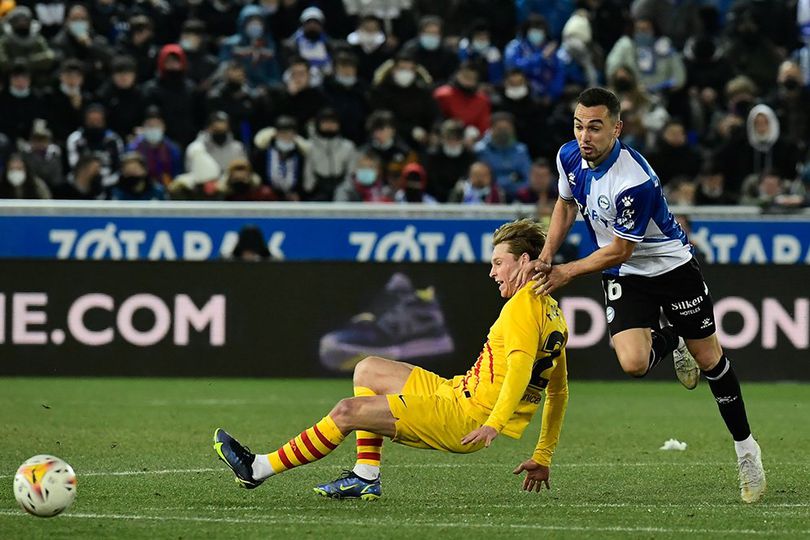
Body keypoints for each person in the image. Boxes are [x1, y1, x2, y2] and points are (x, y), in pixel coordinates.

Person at [521, 87, 765, 504]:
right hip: (626, 274)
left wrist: (565, 272)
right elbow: (565, 205)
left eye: (595, 128)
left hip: (671, 268)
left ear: (617, 128)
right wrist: (546, 255)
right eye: (579, 125)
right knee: (634, 363)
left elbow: (620, 247)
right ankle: (673, 340)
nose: (585, 136)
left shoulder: (634, 180)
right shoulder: (568, 157)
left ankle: (747, 451)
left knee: (712, 361)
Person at [214, 218, 569, 499]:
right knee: (368, 369)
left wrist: (493, 423)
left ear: (525, 261)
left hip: (465, 416)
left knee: (347, 411)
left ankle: (257, 469)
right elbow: (557, 392)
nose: (492, 272)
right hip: (456, 392)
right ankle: (366, 476)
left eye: (498, 263)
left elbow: (521, 371)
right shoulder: (553, 313)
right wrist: (543, 455)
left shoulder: (521, 307)